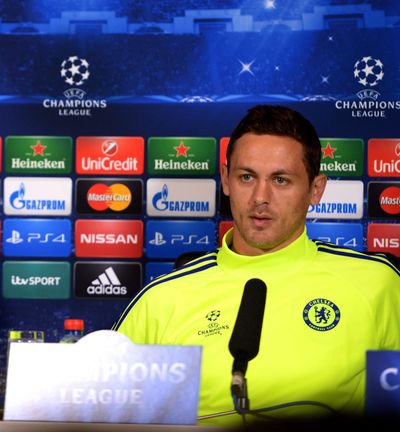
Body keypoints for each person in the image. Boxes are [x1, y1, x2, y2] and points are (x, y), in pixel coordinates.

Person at [114, 105, 400, 425]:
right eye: (247, 177)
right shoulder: (160, 299)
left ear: (315, 189)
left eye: (280, 180)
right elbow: (101, 414)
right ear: (225, 180)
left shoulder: (377, 283)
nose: (260, 197)